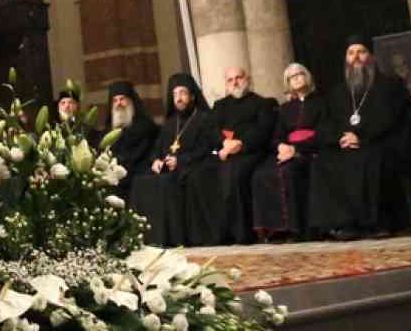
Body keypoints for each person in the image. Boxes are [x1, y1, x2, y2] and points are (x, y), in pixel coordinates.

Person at [310, 34, 411, 239]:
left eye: (361, 52)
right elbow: (325, 124)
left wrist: (361, 137)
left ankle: (378, 223)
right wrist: (341, 138)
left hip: (382, 142)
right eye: (351, 53)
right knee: (323, 162)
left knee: (371, 159)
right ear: (346, 59)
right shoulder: (338, 92)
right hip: (347, 145)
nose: (356, 57)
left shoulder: (390, 85)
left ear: (372, 57)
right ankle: (343, 224)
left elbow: (392, 118)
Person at [128, 72, 220, 246]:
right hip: (168, 168)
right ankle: (147, 239)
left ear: (192, 96)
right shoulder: (170, 123)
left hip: (192, 167)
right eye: (175, 94)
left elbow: (208, 149)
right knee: (140, 181)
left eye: (183, 93)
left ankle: (170, 238)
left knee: (167, 182)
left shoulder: (204, 119)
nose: (179, 98)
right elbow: (157, 148)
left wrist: (181, 161)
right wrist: (156, 160)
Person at [192, 66, 277, 244]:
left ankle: (241, 234)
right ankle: (216, 234)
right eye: (230, 80)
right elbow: (210, 130)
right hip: (222, 151)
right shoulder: (220, 105)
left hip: (251, 152)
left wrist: (240, 144)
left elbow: (263, 131)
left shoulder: (263, 103)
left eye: (239, 78)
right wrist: (223, 144)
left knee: (235, 172)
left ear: (247, 80)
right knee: (200, 173)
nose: (235, 82)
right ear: (226, 84)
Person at [251, 62, 327, 242]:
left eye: (300, 74)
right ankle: (275, 230)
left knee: (289, 172)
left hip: (311, 150)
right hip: (287, 151)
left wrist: (297, 149)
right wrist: (281, 147)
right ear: (288, 83)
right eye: (292, 77)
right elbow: (276, 136)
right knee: (261, 174)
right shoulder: (285, 109)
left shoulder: (322, 103)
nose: (296, 78)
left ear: (307, 77)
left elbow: (324, 133)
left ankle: (296, 229)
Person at [101, 80, 159, 202]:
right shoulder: (107, 132)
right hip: (115, 183)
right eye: (115, 100)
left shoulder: (146, 127)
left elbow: (146, 156)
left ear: (131, 101)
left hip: (139, 179)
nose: (118, 104)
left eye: (122, 99)